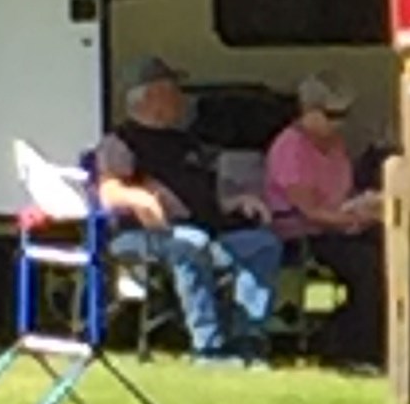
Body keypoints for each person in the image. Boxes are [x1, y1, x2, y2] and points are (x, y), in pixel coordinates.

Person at [93, 59, 286, 362]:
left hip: (204, 228)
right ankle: (207, 346)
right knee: (191, 243)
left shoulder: (186, 142)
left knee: (263, 244)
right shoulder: (121, 142)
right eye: (173, 91)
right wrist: (139, 197)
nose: (181, 99)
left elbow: (206, 193)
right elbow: (109, 191)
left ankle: (247, 337)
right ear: (151, 97)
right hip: (146, 233)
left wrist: (237, 201)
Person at [263, 70, 383, 362]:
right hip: (301, 233)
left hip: (337, 227)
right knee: (367, 265)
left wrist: (368, 207)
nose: (339, 123)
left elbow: (341, 194)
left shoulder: (336, 145)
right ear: (309, 111)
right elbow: (310, 211)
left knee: (390, 250)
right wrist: (355, 220)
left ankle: (374, 339)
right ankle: (353, 348)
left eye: (344, 115)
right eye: (332, 115)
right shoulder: (291, 147)